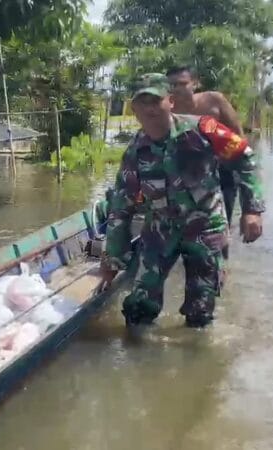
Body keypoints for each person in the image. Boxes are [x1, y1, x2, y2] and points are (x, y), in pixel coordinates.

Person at [100, 73, 264, 329]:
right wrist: (112, 261)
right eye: (142, 102)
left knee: (200, 312)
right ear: (134, 110)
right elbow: (122, 209)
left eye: (156, 100)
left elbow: (245, 158)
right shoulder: (134, 153)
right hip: (161, 227)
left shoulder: (204, 130)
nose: (150, 108)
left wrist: (252, 210)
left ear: (171, 102)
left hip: (205, 226)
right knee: (138, 307)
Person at [166, 67, 246, 252]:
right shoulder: (168, 108)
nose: (177, 89)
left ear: (195, 83)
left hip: (222, 170)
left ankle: (220, 260)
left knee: (219, 222)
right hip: (188, 171)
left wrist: (242, 174)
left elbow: (239, 135)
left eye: (182, 83)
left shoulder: (213, 101)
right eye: (172, 85)